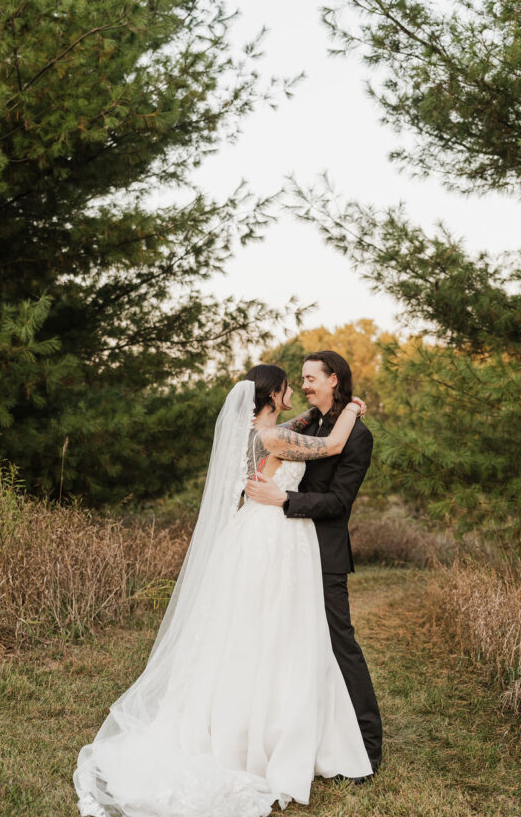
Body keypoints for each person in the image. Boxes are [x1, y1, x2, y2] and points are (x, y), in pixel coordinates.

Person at [73, 365, 372, 817]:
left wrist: (324, 413)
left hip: (257, 534)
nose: (296, 390)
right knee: (274, 631)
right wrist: (351, 407)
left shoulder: (260, 431)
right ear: (273, 394)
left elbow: (305, 428)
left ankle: (253, 726)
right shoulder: (272, 438)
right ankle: (263, 736)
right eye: (289, 385)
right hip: (273, 536)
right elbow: (330, 445)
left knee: (250, 630)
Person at [245, 350, 382, 778]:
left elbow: (340, 502)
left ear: (334, 379)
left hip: (322, 551)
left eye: (310, 378)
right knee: (290, 645)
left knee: (340, 645)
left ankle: (367, 744)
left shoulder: (357, 437)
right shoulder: (308, 423)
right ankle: (303, 733)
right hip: (285, 550)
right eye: (299, 380)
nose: (304, 385)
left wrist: (284, 499)